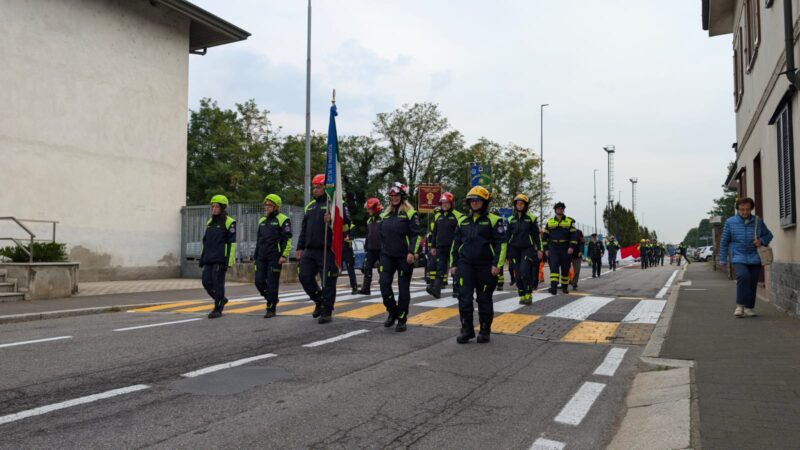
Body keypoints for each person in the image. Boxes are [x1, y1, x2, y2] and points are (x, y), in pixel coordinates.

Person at [450, 186, 506, 344]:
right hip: (465, 265)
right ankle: (467, 330)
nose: (474, 203)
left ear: (485, 202)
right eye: (472, 200)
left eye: (478, 200)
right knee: (464, 299)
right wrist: (453, 263)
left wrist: (497, 264)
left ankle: (484, 330)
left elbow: (501, 244)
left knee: (484, 299)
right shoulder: (462, 221)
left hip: (486, 266)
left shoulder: (495, 220)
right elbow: (455, 244)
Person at [297, 174, 341, 324]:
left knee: (328, 281)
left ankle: (327, 311)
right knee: (304, 276)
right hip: (309, 250)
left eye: (318, 187)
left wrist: (332, 220)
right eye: (313, 187)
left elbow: (345, 224)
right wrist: (299, 247)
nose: (315, 190)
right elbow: (304, 229)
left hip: (327, 250)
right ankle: (319, 300)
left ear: (325, 188)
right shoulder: (310, 206)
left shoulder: (334, 204)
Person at [719, 197, 773, 318]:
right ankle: (740, 306)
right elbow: (724, 241)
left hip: (755, 257)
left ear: (751, 209)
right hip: (738, 256)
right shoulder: (730, 222)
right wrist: (722, 259)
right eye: (742, 209)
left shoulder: (758, 221)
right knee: (743, 276)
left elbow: (769, 235)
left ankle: (749, 308)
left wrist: (761, 241)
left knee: (753, 281)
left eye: (747, 210)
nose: (745, 212)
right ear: (737, 209)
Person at [379, 182, 422, 332]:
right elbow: (380, 235)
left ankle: (402, 318)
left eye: (396, 195)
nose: (394, 198)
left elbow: (416, 235)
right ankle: (392, 311)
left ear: (402, 196)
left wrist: (412, 252)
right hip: (387, 256)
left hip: (404, 257)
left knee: (403, 289)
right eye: (391, 196)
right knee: (384, 284)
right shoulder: (385, 214)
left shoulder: (410, 213)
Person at [254, 194, 292, 318]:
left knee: (272, 283)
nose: (266, 207)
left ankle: (271, 308)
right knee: (259, 281)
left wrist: (283, 255)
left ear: (276, 207)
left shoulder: (283, 219)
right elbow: (258, 240)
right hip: (261, 257)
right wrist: (255, 256)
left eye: (269, 205)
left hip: (275, 257)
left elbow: (287, 239)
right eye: (265, 204)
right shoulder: (262, 220)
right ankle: (272, 298)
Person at [200, 194, 237, 319]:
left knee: (217, 283)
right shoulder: (210, 222)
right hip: (209, 258)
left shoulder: (229, 222)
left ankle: (218, 308)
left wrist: (229, 262)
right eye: (213, 206)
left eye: (216, 206)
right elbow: (206, 241)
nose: (214, 208)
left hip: (220, 259)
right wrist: (202, 258)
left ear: (222, 208)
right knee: (206, 282)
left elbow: (232, 244)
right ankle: (221, 299)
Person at [506, 194, 542, 305]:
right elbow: (506, 237)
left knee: (525, 272)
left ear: (525, 205)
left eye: (521, 203)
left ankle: (528, 294)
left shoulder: (531, 218)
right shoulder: (510, 219)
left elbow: (536, 235)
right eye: (517, 203)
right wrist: (506, 252)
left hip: (528, 249)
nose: (519, 205)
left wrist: (540, 249)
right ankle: (521, 294)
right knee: (517, 274)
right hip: (514, 250)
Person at [428, 192, 463, 299]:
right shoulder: (438, 216)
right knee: (440, 268)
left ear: (451, 203)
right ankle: (436, 290)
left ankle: (456, 290)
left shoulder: (458, 216)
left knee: (455, 267)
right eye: (442, 203)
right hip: (440, 247)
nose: (444, 205)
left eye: (446, 203)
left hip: (454, 247)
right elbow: (434, 232)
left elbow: (463, 232)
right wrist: (433, 246)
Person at [543, 202, 578, 295]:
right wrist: (546, 249)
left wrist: (571, 247)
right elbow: (544, 237)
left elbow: (574, 235)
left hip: (565, 248)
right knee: (554, 268)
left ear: (563, 210)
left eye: (561, 208)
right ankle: (553, 287)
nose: (560, 210)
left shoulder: (570, 221)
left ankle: (564, 286)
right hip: (553, 248)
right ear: (555, 210)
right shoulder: (549, 222)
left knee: (565, 269)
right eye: (558, 208)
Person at [358, 198, 382, 295]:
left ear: (375, 208)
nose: (368, 211)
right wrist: (366, 246)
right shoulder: (369, 220)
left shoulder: (383, 218)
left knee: (382, 269)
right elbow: (368, 235)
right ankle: (366, 289)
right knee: (367, 268)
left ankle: (384, 286)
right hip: (371, 249)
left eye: (369, 209)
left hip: (382, 249)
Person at [341, 207, 359, 295]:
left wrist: (349, 238)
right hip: (337, 250)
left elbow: (353, 236)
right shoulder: (336, 224)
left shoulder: (352, 226)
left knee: (350, 270)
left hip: (347, 249)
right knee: (334, 270)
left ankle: (354, 287)